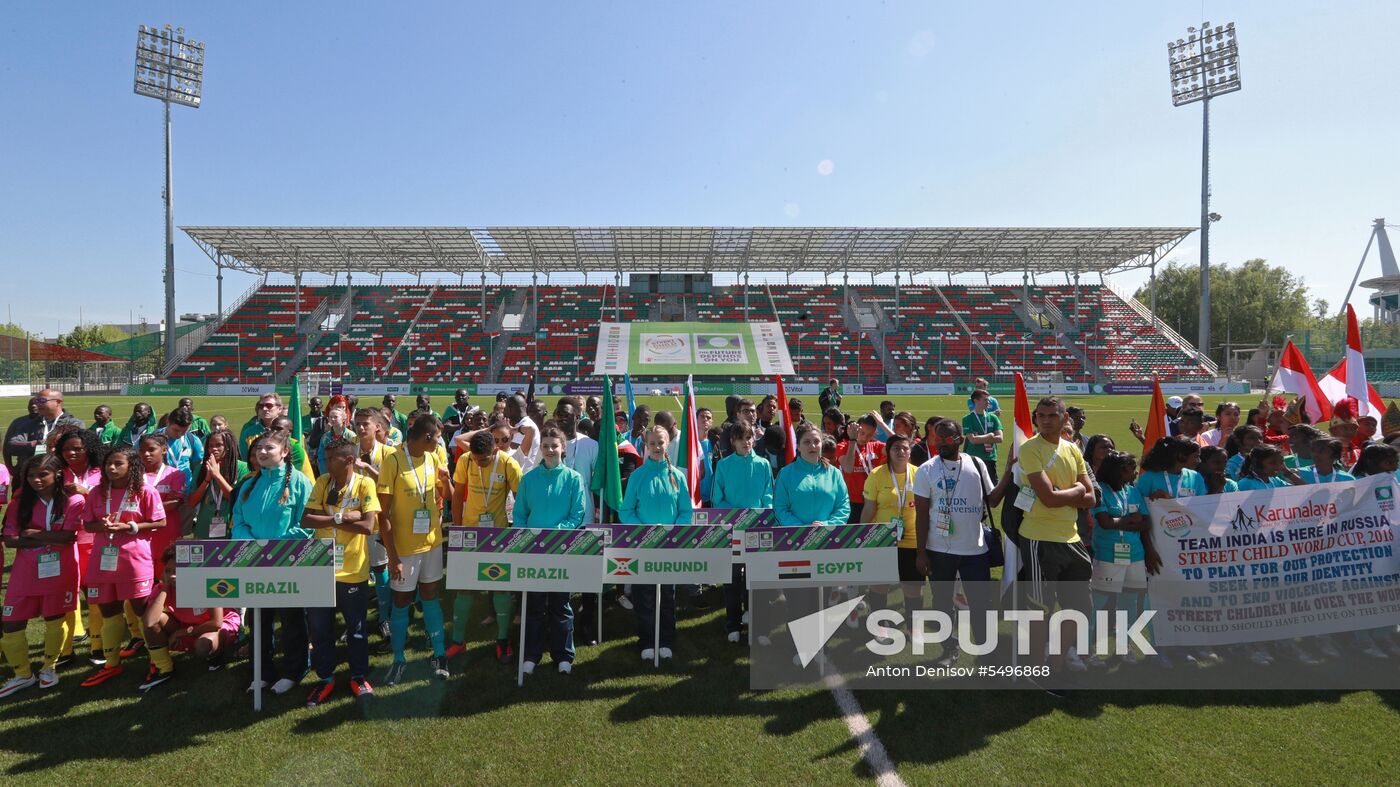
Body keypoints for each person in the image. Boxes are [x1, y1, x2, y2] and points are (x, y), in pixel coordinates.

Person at [1015, 397, 1096, 690]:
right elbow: (1048, 499)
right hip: (1039, 538)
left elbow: (1092, 498)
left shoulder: (1072, 449)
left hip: (1071, 538)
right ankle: (1039, 671)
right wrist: (1075, 491)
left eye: (1053, 415)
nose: (1046, 420)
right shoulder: (1030, 449)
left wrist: (1070, 491)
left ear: (1064, 418)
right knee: (1040, 610)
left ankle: (1056, 664)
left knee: (1079, 608)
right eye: (1041, 415)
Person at [913, 421, 1008, 666]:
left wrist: (1008, 472)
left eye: (948, 438)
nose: (941, 443)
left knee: (981, 604)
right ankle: (949, 648)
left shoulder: (976, 465)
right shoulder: (926, 470)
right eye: (938, 438)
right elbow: (921, 515)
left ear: (960, 440)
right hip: (938, 550)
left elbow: (993, 500)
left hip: (974, 549)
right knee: (942, 602)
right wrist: (921, 553)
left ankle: (987, 654)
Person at [78, 446, 168, 688]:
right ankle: (112, 663)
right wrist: (103, 525)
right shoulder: (97, 492)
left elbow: (160, 521)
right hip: (103, 559)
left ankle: (159, 661)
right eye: (109, 463)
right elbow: (88, 525)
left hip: (134, 560)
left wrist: (130, 528)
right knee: (108, 610)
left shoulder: (145, 491)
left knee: (142, 610)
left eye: (118, 464)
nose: (112, 468)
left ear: (132, 466)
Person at [232, 431, 314, 694]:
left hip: (288, 562)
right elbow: (239, 520)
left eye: (269, 448)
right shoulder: (248, 485)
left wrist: (277, 549)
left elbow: (308, 523)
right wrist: (253, 545)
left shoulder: (300, 482)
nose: (262, 453)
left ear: (284, 452)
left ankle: (294, 669)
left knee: (291, 619)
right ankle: (262, 671)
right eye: (259, 449)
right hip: (255, 561)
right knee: (258, 619)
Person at [303, 438, 382, 705]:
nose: (324, 462)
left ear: (349, 460)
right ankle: (325, 678)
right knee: (320, 630)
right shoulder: (323, 481)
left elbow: (368, 526)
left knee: (357, 629)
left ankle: (358, 676)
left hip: (353, 570)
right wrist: (342, 517)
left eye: (331, 458)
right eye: (324, 456)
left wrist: (338, 520)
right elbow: (305, 519)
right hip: (321, 569)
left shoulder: (364, 483)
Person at [378, 416, 453, 684]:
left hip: (431, 543)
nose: (439, 442)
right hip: (405, 549)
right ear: (427, 437)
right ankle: (399, 659)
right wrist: (393, 556)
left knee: (431, 597)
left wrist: (445, 482)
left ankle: (440, 654)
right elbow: (382, 515)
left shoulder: (434, 459)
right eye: (437, 437)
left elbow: (443, 497)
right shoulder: (393, 461)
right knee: (401, 601)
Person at [0, 455, 81, 698]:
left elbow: (69, 537)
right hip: (25, 571)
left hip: (60, 569)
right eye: (31, 475)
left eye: (42, 474)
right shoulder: (19, 502)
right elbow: (10, 539)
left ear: (56, 474)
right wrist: (50, 536)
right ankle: (23, 674)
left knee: (54, 619)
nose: (36, 480)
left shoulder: (72, 500)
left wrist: (33, 533)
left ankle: (49, 668)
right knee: (11, 623)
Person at [514, 427, 587, 675]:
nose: (550, 450)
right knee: (533, 606)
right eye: (545, 446)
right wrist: (528, 538)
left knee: (561, 605)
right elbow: (520, 514)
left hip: (561, 550)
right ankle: (531, 655)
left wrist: (555, 534)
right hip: (533, 551)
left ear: (563, 447)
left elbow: (577, 515)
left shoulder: (574, 479)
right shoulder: (529, 479)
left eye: (554, 445)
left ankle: (563, 655)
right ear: (541, 448)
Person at [448, 427, 523, 662]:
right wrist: (458, 529)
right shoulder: (465, 459)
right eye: (476, 459)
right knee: (465, 587)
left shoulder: (509, 464)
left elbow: (520, 500)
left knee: (500, 586)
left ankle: (502, 640)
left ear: (496, 450)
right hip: (469, 533)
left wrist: (516, 533)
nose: (479, 463)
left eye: (484, 459)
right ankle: (458, 641)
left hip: (498, 535)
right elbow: (458, 495)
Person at [621, 425, 693, 661]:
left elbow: (685, 511)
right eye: (652, 444)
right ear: (646, 446)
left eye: (661, 443)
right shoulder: (638, 476)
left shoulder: (677, 476)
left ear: (668, 443)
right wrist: (645, 532)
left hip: (669, 546)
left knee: (667, 597)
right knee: (644, 596)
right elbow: (626, 510)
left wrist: (672, 533)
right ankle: (647, 641)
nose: (657, 447)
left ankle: (666, 640)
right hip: (644, 546)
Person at [1088, 450, 1157, 667]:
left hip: (1135, 555)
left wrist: (1123, 521)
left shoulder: (1133, 491)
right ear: (1120, 471)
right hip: (1108, 555)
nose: (1135, 472)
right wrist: (1130, 520)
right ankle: (1086, 650)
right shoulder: (1101, 492)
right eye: (1131, 468)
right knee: (1098, 603)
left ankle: (1123, 646)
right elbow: (1105, 522)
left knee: (1129, 604)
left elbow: (1146, 523)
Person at [711, 421, 774, 643]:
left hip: (758, 530)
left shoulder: (763, 464)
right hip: (733, 531)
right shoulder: (724, 466)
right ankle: (733, 625)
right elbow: (717, 499)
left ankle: (759, 628)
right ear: (733, 441)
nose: (746, 442)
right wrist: (736, 517)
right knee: (732, 581)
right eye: (741, 438)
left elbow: (768, 496)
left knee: (757, 581)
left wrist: (760, 514)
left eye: (749, 438)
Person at [140, 544, 239, 677]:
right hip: (189, 625)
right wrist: (164, 588)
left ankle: (216, 654)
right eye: (168, 571)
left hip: (218, 625)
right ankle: (165, 668)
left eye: (177, 571)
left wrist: (181, 633)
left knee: (203, 646)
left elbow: (216, 623)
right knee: (154, 621)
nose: (172, 576)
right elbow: (149, 622)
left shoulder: (206, 582)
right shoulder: (164, 587)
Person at [57, 429, 103, 659]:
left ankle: (98, 643)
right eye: (66, 449)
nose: (71, 453)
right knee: (69, 587)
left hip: (95, 538)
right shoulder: (56, 472)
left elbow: (110, 499)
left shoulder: (102, 471)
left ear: (90, 449)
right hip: (66, 540)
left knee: (94, 590)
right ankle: (69, 643)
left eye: (77, 448)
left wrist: (86, 491)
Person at [775, 424, 850, 527]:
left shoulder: (835, 474)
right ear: (798, 446)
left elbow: (843, 506)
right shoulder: (785, 474)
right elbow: (780, 508)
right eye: (807, 442)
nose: (813, 446)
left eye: (816, 441)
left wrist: (828, 525)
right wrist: (801, 528)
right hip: (795, 538)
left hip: (828, 537)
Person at [137, 434, 187, 574]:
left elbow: (175, 503)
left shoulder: (175, 474)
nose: (146, 454)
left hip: (167, 533)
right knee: (144, 576)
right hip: (141, 535)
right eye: (142, 450)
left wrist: (142, 508)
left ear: (164, 450)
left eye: (151, 449)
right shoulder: (134, 475)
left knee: (167, 575)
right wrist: (162, 502)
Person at [186, 430, 247, 539]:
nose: (214, 449)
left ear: (228, 446)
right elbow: (191, 503)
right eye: (210, 446)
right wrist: (207, 480)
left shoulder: (243, 468)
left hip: (231, 532)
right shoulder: (201, 469)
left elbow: (238, 501)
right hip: (204, 531)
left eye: (219, 445)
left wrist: (217, 476)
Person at [8, 389, 85, 465]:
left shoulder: (74, 424)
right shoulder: (30, 424)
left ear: (58, 402)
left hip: (62, 471)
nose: (38, 404)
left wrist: (50, 445)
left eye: (42, 401)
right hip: (35, 471)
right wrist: (37, 444)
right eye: (37, 401)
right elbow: (12, 446)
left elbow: (76, 448)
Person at [555, 400, 598, 523]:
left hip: (584, 516)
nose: (561, 418)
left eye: (566, 415)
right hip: (556, 515)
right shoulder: (549, 445)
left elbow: (599, 481)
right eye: (558, 414)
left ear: (577, 417)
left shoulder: (591, 445)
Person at [836, 414, 884, 522]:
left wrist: (881, 423)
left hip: (873, 501)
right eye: (862, 433)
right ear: (856, 429)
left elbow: (900, 443)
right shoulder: (843, 446)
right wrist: (852, 439)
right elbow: (848, 468)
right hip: (852, 502)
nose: (865, 438)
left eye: (869, 435)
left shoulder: (876, 446)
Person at [963, 390, 1004, 483]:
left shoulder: (993, 417)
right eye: (985, 400)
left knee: (992, 486)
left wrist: (979, 437)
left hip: (990, 458)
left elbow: (1000, 438)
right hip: (973, 458)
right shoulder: (967, 418)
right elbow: (972, 440)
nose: (988, 402)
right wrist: (989, 435)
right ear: (976, 400)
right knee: (973, 485)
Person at [158, 408, 204, 487]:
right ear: (168, 422)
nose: (180, 434)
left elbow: (198, 466)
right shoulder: (151, 439)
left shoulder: (193, 440)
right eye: (176, 430)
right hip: (159, 489)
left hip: (185, 490)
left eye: (184, 431)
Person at [1236, 444, 1300, 490]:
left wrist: (1287, 471)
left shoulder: (1275, 481)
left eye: (1281, 462)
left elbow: (1304, 491)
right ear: (1256, 463)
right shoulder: (1246, 483)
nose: (1278, 466)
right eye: (1272, 463)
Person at [239, 394, 284, 459]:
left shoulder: (287, 430)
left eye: (269, 406)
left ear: (279, 409)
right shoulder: (248, 432)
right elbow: (245, 459)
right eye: (261, 406)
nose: (264, 409)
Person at [505, 394, 541, 472]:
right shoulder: (523, 424)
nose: (504, 411)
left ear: (510, 408)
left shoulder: (524, 427)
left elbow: (510, 451)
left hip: (524, 473)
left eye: (506, 408)